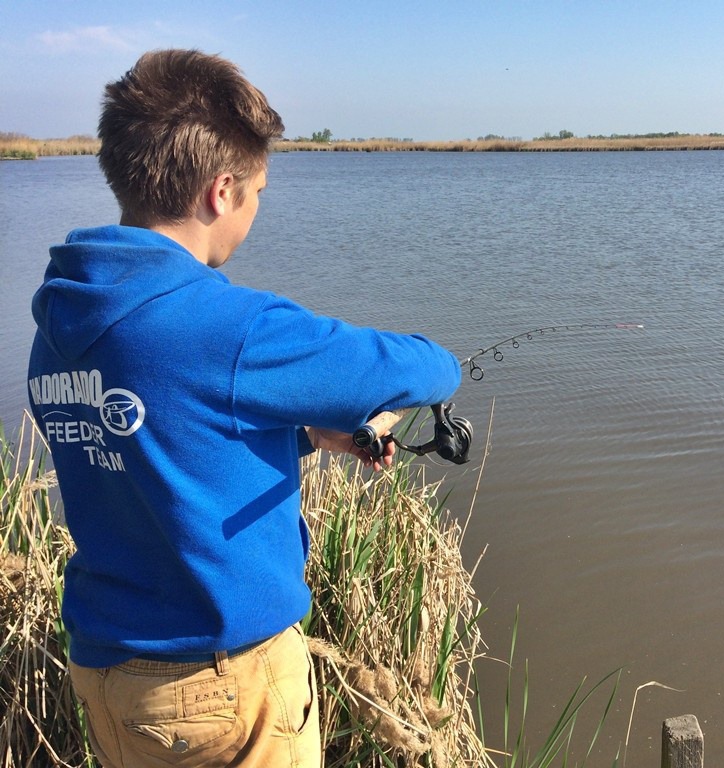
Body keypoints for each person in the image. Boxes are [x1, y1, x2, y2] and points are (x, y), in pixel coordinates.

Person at [26, 49, 461, 767]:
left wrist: (310, 439)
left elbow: (157, 446)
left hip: (108, 678)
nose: (255, 208)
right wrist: (426, 373)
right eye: (258, 190)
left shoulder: (65, 319)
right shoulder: (224, 325)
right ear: (221, 191)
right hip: (217, 685)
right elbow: (417, 366)